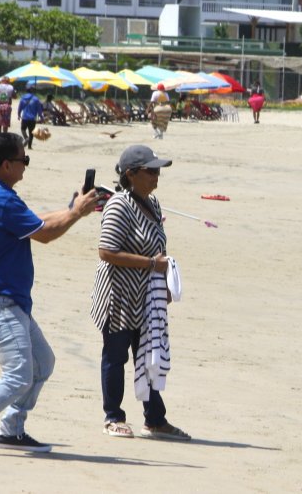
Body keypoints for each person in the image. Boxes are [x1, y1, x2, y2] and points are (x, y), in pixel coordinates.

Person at [0, 133, 98, 455]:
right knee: (19, 374)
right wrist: (76, 214)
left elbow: (37, 222)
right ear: (7, 165)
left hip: (8, 302)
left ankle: (11, 429)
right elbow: (46, 234)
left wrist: (72, 208)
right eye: (24, 160)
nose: (26, 165)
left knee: (42, 363)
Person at [95, 145, 192, 441]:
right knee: (115, 356)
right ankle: (113, 417)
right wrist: (151, 264)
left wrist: (163, 283)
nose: (156, 175)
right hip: (119, 296)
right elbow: (106, 251)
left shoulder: (154, 203)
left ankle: (155, 419)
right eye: (150, 171)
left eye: (158, 169)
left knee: (148, 355)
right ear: (131, 174)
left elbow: (159, 247)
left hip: (146, 297)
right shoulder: (119, 205)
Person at [17, 85, 43, 149]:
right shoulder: (36, 99)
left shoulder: (23, 98)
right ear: (33, 91)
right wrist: (41, 117)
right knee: (31, 132)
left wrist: (19, 114)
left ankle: (26, 138)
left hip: (25, 117)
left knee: (23, 129)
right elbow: (39, 110)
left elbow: (20, 107)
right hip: (32, 118)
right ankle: (29, 146)